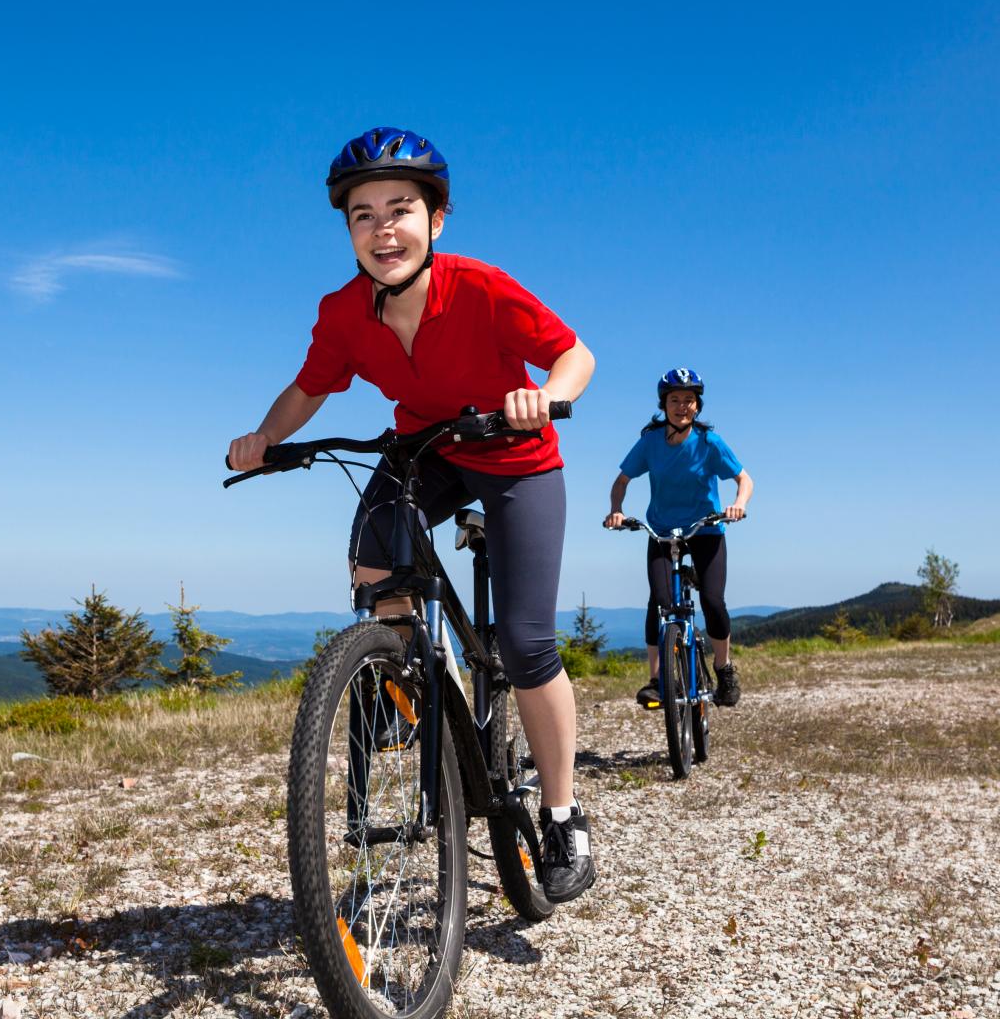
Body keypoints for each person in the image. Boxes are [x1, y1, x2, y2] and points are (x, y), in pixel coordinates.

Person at [227, 125, 597, 903]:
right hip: (424, 450)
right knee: (372, 553)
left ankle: (564, 816)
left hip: (513, 457)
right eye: (363, 214)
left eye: (400, 208)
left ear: (436, 219)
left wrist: (544, 396)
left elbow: (575, 353)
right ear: (349, 230)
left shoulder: (482, 287)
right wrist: (265, 436)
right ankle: (410, 681)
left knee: (528, 644)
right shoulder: (342, 312)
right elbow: (310, 388)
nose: (382, 227)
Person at [603, 368, 754, 708]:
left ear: (697, 407)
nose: (681, 406)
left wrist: (738, 505)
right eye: (674, 400)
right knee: (658, 601)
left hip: (706, 529)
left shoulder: (709, 442)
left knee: (713, 601)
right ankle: (657, 680)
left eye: (689, 400)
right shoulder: (651, 441)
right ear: (664, 404)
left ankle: (723, 668)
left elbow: (745, 479)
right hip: (662, 532)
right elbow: (622, 481)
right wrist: (616, 509)